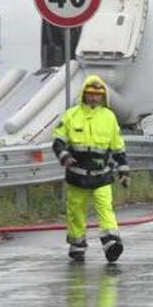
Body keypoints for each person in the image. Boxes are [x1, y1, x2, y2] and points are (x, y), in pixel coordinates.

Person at [53, 75, 130, 263]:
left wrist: (124, 172)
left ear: (103, 96)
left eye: (98, 94)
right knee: (76, 211)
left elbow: (118, 147)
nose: (94, 98)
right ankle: (77, 244)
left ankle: (111, 243)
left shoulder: (109, 117)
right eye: (90, 94)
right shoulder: (71, 115)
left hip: (101, 174)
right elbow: (58, 141)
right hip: (77, 175)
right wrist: (64, 156)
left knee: (105, 209)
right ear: (83, 94)